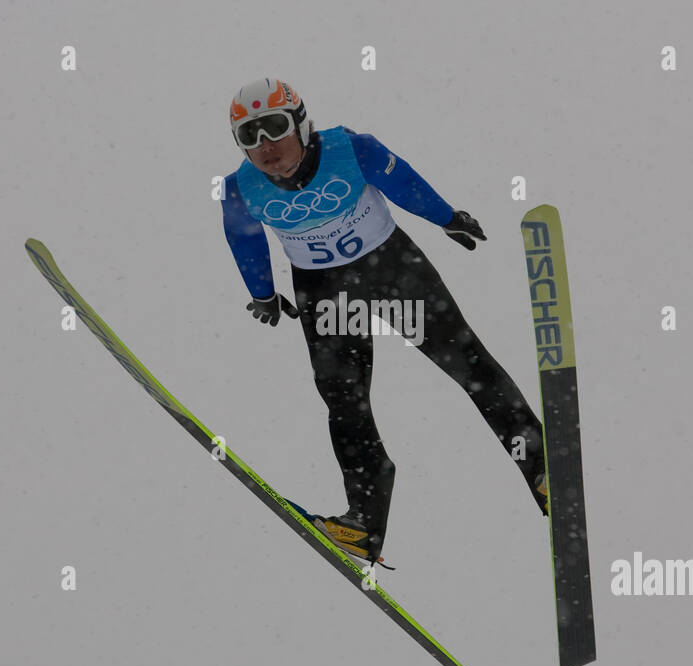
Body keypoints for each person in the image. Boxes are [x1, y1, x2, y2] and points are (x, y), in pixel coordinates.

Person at [220, 77, 547, 563]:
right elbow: (244, 239)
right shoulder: (238, 189)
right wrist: (263, 294)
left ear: (301, 123)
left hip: (391, 272)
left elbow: (403, 183)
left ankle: (543, 472)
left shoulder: (352, 149)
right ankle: (364, 523)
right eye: (249, 136)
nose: (265, 146)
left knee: (470, 367)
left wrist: (446, 216)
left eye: (273, 128)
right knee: (344, 402)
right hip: (324, 292)